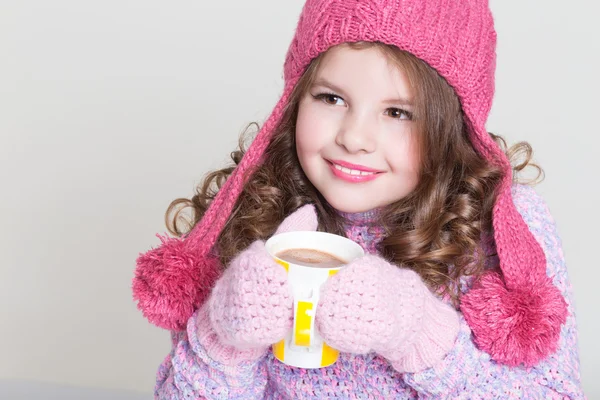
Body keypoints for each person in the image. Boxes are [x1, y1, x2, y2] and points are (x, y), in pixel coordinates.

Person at [132, 0, 586, 398]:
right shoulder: (252, 213)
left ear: (453, 126)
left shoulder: (500, 230)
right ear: (293, 99)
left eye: (398, 112)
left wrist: (419, 333)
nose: (353, 138)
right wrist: (222, 337)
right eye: (331, 98)